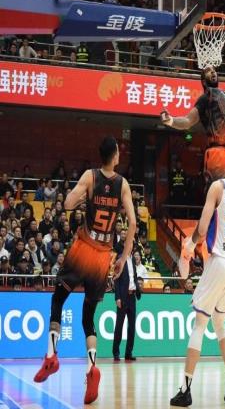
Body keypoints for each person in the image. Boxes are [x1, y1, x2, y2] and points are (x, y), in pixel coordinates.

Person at [33, 137, 136, 406]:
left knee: (58, 299)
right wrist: (124, 258)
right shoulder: (123, 184)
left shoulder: (90, 177)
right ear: (115, 156)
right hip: (103, 257)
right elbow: (134, 224)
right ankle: (91, 370)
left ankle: (51, 356)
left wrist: (82, 198)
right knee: (88, 318)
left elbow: (67, 204)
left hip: (83, 249)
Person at [169, 143, 225, 407]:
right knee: (220, 322)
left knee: (200, 323)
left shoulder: (218, 187)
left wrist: (189, 245)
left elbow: (203, 227)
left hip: (220, 262)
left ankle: (185, 389)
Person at [160, 55, 225, 185]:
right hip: (218, 153)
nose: (213, 72)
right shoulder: (205, 99)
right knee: (220, 193)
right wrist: (171, 120)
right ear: (204, 81)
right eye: (209, 71)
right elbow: (187, 121)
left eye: (214, 70)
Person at [113, 252, 141, 362]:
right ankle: (116, 353)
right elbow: (116, 279)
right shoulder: (120, 259)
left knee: (132, 327)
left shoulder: (133, 260)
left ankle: (128, 353)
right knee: (119, 326)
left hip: (132, 296)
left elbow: (134, 276)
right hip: (123, 297)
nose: (130, 247)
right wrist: (117, 297)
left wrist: (137, 288)